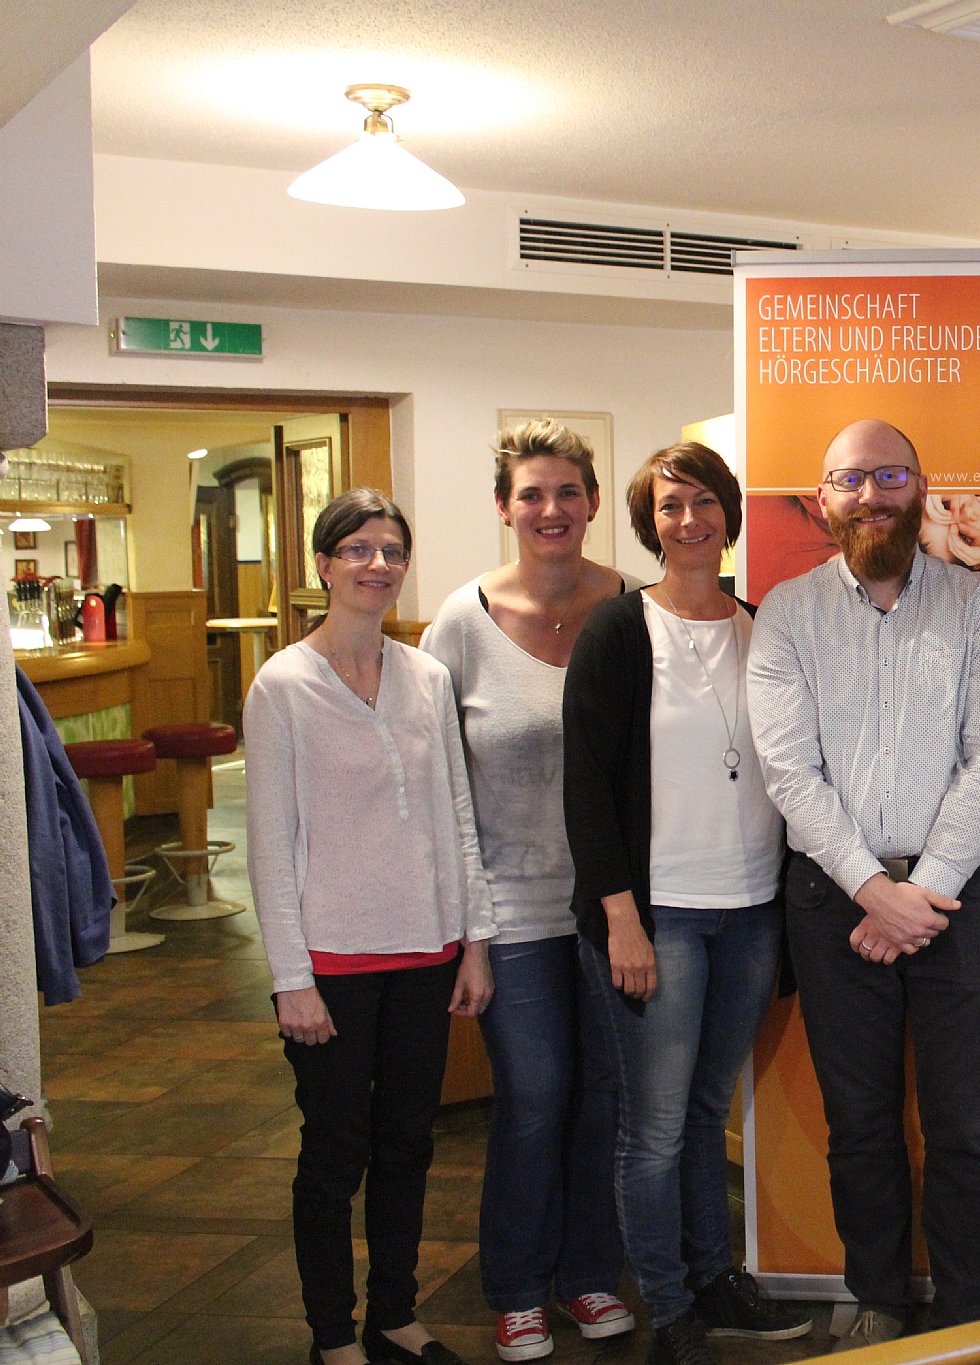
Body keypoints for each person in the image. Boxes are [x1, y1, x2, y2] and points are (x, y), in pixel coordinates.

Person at [748, 419, 980, 1350]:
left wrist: (924, 889)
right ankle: (876, 1296)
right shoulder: (788, 614)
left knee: (966, 1125)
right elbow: (789, 772)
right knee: (859, 1121)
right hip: (835, 900)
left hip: (961, 897)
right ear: (824, 498)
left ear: (921, 487)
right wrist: (875, 888)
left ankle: (970, 1314)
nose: (871, 494)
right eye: (851, 479)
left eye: (890, 476)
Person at [563, 443, 813, 1365]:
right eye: (670, 506)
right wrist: (620, 918)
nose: (689, 520)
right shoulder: (618, 630)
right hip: (657, 913)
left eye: (704, 501)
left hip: (750, 910)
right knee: (656, 1129)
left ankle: (715, 1278)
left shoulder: (761, 627)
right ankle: (668, 1311)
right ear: (649, 524)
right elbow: (587, 786)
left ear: (729, 513)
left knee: (709, 1111)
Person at [245, 490, 495, 1365]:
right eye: (356, 548)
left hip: (426, 951)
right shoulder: (283, 684)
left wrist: (474, 942)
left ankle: (394, 1311)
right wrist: (292, 979)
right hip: (333, 963)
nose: (377, 564)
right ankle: (330, 1332)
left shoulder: (427, 675)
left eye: (391, 550)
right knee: (334, 1152)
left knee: (407, 1144)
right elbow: (270, 845)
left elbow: (457, 815)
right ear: (323, 564)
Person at [420, 419, 633, 1362]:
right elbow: (441, 786)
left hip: (617, 909)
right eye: (532, 493)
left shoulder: (631, 606)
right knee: (536, 1095)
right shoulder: (460, 623)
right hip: (511, 907)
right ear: (505, 507)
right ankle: (514, 1286)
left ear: (593, 502)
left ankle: (589, 1275)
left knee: (606, 1098)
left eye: (568, 492)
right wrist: (467, 927)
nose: (552, 509)